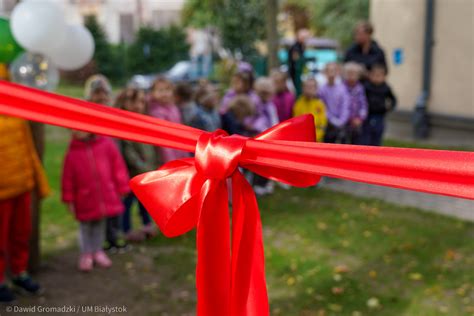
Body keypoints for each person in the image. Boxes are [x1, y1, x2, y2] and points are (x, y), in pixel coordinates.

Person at [62, 130, 130, 272]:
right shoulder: (72, 153)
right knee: (85, 227)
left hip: (104, 196)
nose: (78, 131)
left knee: (100, 225)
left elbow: (118, 166)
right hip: (84, 199)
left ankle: (98, 251)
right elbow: (67, 178)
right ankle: (86, 254)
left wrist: (122, 186)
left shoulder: (107, 145)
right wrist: (69, 199)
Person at [0, 116, 50, 302]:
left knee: (21, 233)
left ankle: (19, 272)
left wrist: (39, 181)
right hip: (2, 192)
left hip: (22, 185)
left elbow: (28, 147)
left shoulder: (15, 109)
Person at [115, 88, 159, 242]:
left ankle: (147, 224)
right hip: (131, 174)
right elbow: (129, 153)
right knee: (128, 203)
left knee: (144, 201)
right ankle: (125, 230)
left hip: (145, 171)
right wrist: (145, 168)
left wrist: (152, 166)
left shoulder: (145, 121)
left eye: (141, 101)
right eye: (133, 101)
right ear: (124, 103)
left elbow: (150, 147)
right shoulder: (124, 125)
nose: (138, 105)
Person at [148, 77, 188, 162]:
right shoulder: (155, 112)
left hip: (180, 147)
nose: (164, 93)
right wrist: (171, 161)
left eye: (167, 89)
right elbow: (163, 139)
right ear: (152, 93)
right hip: (167, 153)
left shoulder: (174, 108)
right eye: (160, 90)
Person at [361, 64, 397, 146]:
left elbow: (393, 99)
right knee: (366, 137)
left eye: (379, 76)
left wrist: (389, 108)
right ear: (370, 76)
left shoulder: (386, 88)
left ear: (384, 77)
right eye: (374, 75)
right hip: (367, 116)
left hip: (380, 116)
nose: (376, 78)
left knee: (377, 136)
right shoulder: (366, 86)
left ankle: (376, 152)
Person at [319, 63, 351, 143]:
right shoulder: (322, 90)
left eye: (333, 70)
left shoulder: (342, 88)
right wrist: (332, 120)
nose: (331, 73)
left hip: (342, 124)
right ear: (325, 73)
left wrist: (342, 120)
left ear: (337, 72)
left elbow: (345, 105)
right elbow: (323, 107)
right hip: (329, 124)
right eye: (329, 71)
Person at [293, 78, 327, 143]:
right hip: (302, 141)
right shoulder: (298, 104)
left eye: (312, 87)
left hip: (317, 141)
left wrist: (315, 138)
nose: (309, 89)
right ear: (302, 88)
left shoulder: (320, 104)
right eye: (307, 87)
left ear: (316, 89)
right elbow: (296, 124)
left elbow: (323, 125)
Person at [342, 62, 368, 144]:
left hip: (357, 122)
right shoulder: (341, 87)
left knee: (356, 142)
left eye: (354, 74)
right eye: (349, 73)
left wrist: (360, 118)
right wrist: (349, 118)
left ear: (358, 76)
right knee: (344, 142)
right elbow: (341, 105)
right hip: (344, 121)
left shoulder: (360, 88)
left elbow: (363, 104)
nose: (351, 76)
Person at [288, 28, 310, 97]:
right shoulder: (295, 47)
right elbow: (296, 61)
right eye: (303, 37)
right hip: (295, 74)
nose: (305, 39)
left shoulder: (301, 47)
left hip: (300, 74)